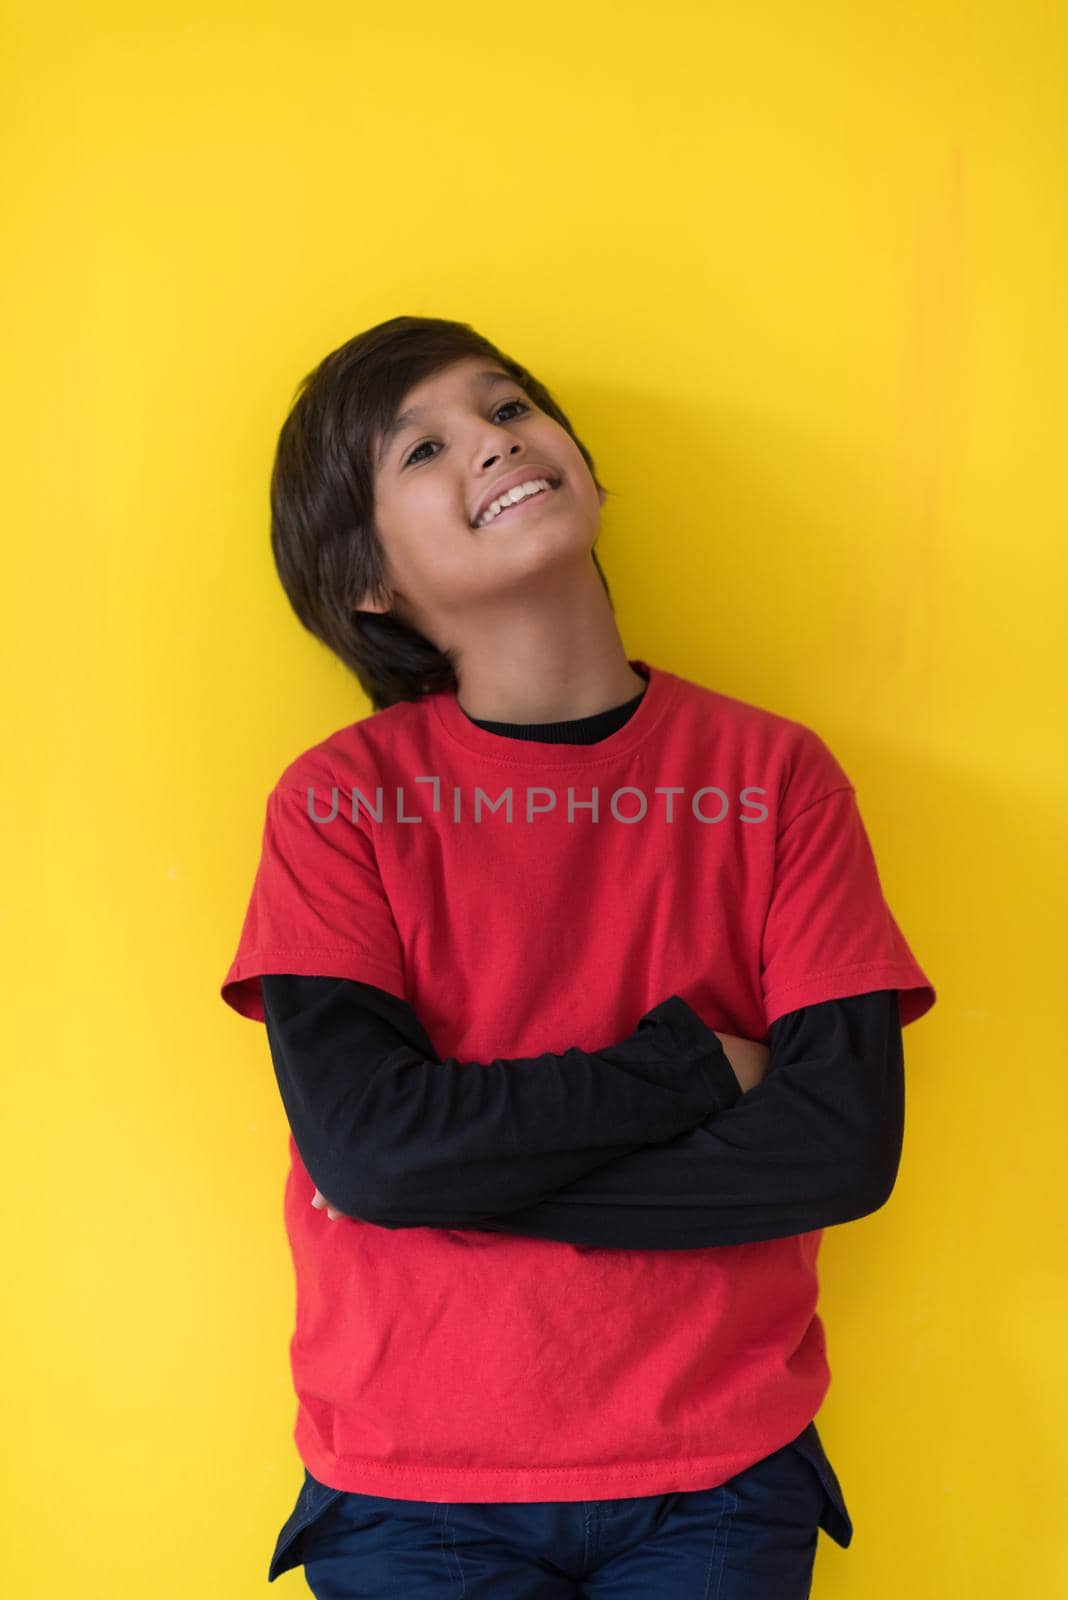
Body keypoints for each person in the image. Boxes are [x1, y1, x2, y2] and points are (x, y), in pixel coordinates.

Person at [220, 314, 936, 1597]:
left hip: (716, 1475)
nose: (492, 444)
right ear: (368, 582)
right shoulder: (336, 803)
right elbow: (372, 1149)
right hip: (409, 1486)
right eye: (424, 447)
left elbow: (839, 1145)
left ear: (583, 470)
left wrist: (448, 1181)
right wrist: (689, 1068)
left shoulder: (775, 778)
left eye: (506, 409)